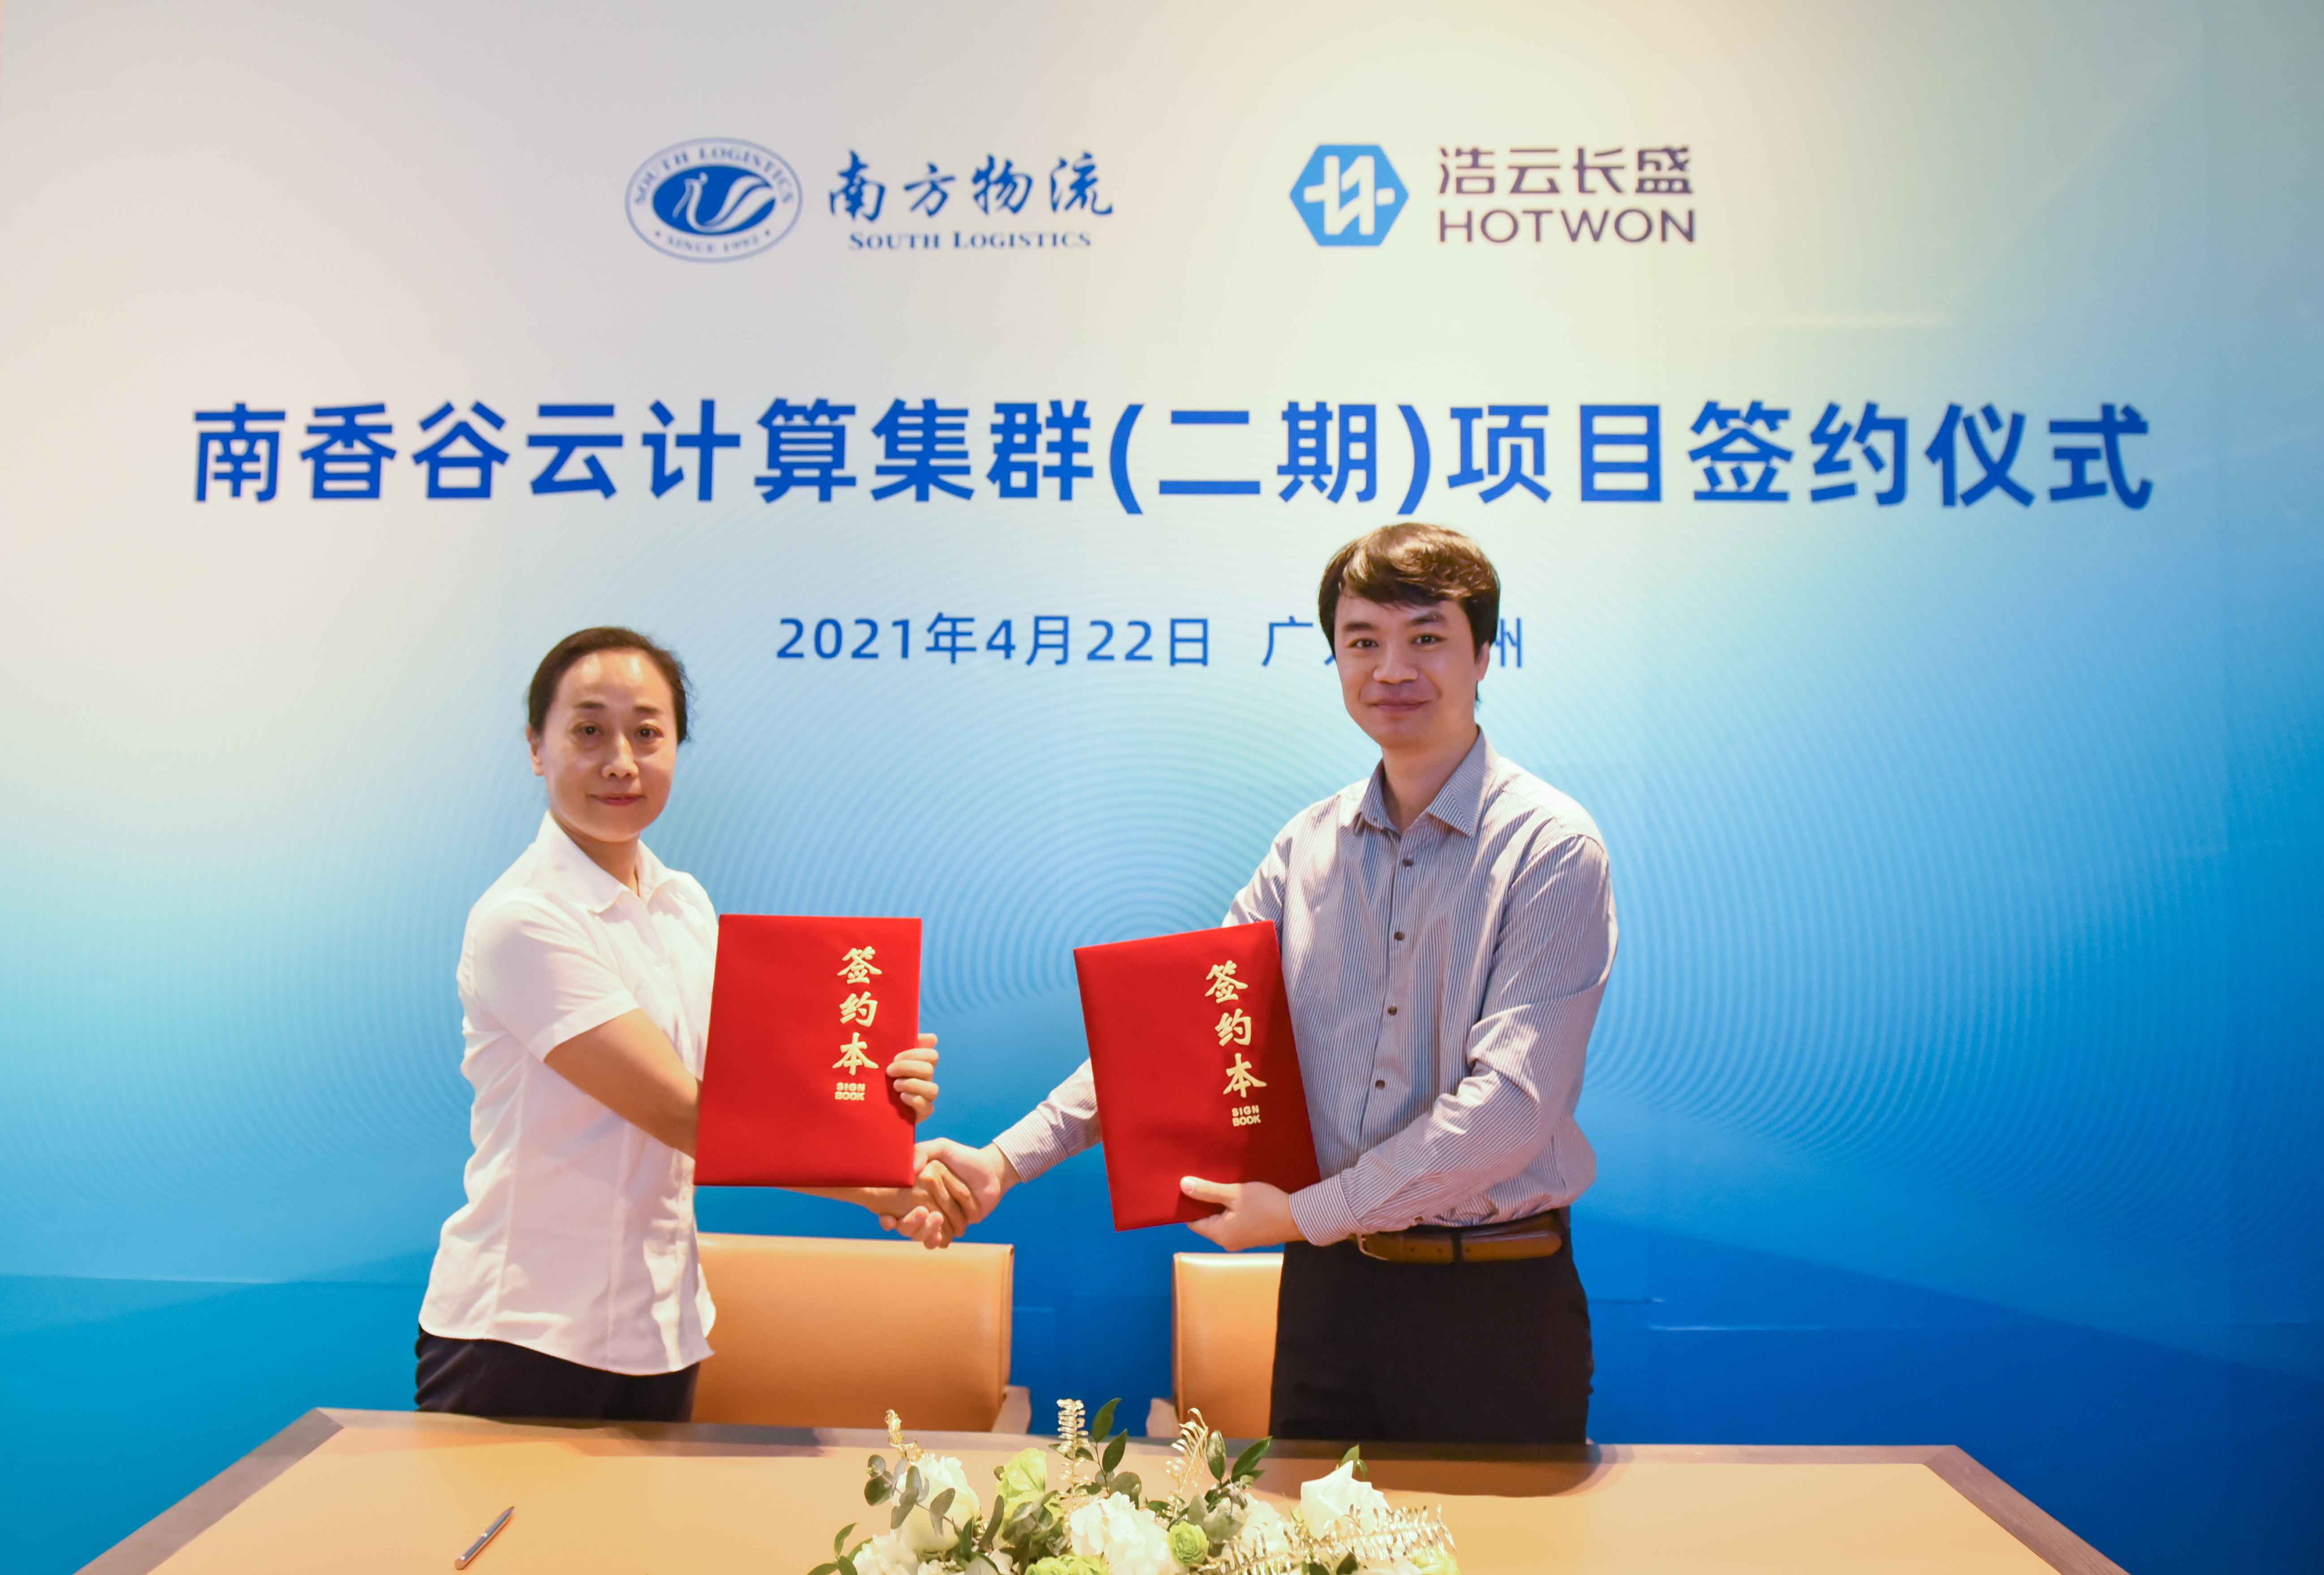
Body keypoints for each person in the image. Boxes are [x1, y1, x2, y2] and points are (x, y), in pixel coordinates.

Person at [920, 525, 1615, 1445]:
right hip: (1330, 1297)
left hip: (1491, 1304)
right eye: (1362, 641)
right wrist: (1007, 1161)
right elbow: (1188, 1037)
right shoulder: (1307, 847)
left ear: (1484, 653)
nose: (1392, 668)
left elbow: (1512, 1110)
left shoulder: (1551, 848)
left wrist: (1304, 1212)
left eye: (1427, 637)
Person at [417, 626, 969, 1423]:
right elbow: (686, 1114)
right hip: (523, 1336)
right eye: (588, 731)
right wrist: (879, 1185)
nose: (621, 761)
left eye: (647, 733)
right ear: (536, 747)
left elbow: (755, 1088)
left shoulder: (684, 904)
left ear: (676, 746)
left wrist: (874, 1093)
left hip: (660, 1330)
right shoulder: (525, 920)